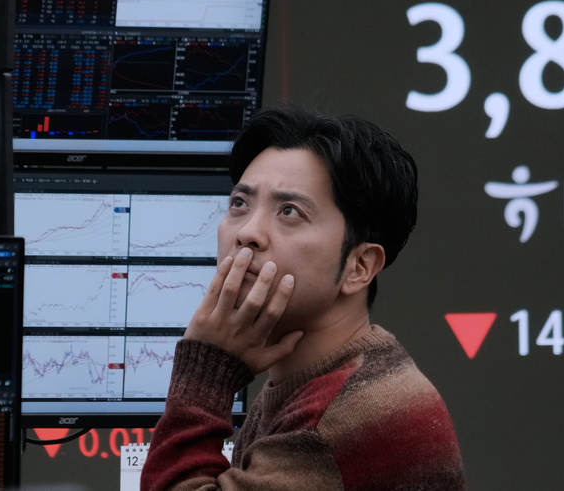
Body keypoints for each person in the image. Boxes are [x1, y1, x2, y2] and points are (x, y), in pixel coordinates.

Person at [140, 105, 466, 490]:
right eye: (239, 204)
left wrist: (204, 373)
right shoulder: (323, 383)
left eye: (289, 211)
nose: (248, 233)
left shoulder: (339, 419)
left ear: (359, 266)